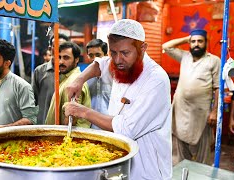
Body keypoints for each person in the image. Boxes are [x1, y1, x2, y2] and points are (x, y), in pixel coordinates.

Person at [64, 19, 172, 179]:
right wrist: (79, 80)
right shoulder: (121, 65)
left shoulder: (156, 80)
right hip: (120, 160)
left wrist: (83, 112)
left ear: (142, 48)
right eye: (113, 52)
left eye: (125, 53)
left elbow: (126, 129)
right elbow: (100, 65)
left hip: (147, 170)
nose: (118, 59)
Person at [162, 29, 220, 165]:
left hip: (201, 113)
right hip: (181, 110)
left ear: (206, 42)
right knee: (182, 150)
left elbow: (218, 88)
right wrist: (187, 38)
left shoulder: (213, 61)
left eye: (200, 41)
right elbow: (166, 47)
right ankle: (184, 173)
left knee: (202, 153)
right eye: (193, 41)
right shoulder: (185, 57)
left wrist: (215, 110)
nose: (196, 44)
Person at [46, 41, 91, 128]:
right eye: (59, 57)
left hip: (67, 138)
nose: (61, 62)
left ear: (76, 59)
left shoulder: (73, 81)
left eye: (66, 58)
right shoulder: (66, 78)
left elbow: (71, 118)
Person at [31, 33, 70, 124]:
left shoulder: (72, 73)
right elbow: (33, 99)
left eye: (63, 47)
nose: (59, 49)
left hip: (64, 126)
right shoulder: (40, 71)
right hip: (43, 124)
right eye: (55, 46)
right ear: (50, 48)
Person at [85, 39, 112, 129]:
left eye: (98, 55)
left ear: (106, 55)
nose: (94, 59)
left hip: (110, 127)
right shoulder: (84, 78)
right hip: (89, 128)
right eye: (91, 55)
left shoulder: (113, 77)